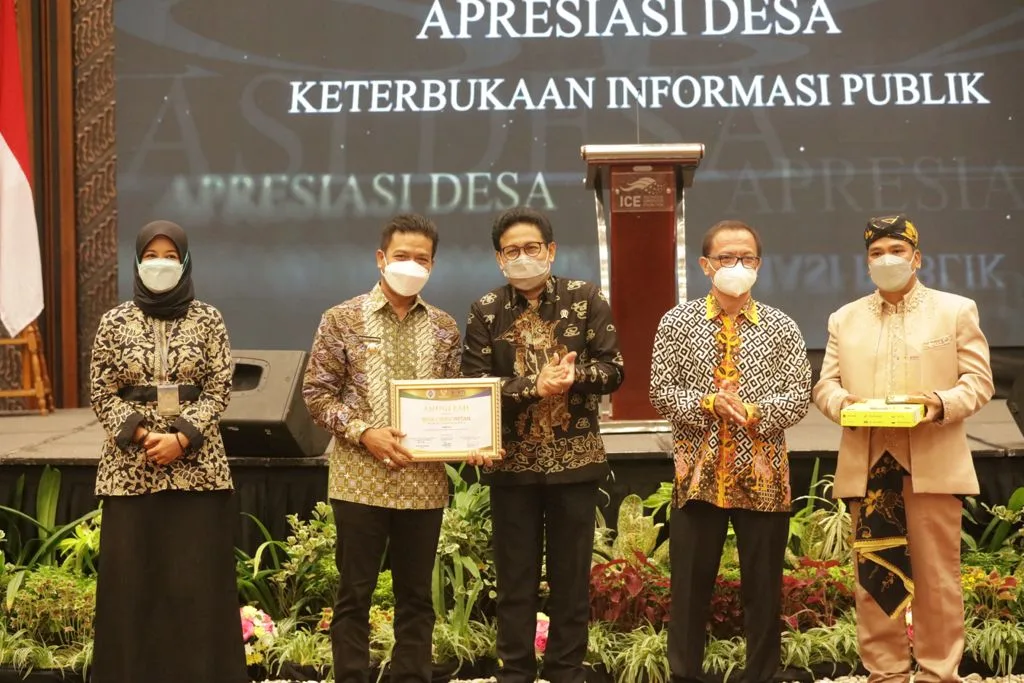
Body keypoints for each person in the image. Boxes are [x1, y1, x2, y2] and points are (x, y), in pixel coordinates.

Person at [303, 214, 488, 683]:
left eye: (421, 258)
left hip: (423, 485)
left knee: (416, 598)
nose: (411, 265)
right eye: (401, 256)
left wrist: (472, 439)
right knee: (354, 594)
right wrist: (365, 431)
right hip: (359, 481)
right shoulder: (341, 319)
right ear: (381, 258)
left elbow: (454, 401)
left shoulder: (444, 327)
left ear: (433, 265)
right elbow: (317, 396)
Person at [813, 214, 993, 683]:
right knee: (874, 576)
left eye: (896, 251)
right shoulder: (844, 318)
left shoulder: (955, 311)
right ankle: (886, 674)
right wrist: (844, 405)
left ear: (917, 258)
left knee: (937, 580)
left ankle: (938, 673)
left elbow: (979, 382)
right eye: (877, 253)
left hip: (931, 463)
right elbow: (825, 386)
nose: (886, 259)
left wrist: (938, 403)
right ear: (867, 263)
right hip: (869, 463)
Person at [461, 206, 624, 683]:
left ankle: (565, 670)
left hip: (575, 462)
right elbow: (476, 386)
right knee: (515, 580)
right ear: (499, 258)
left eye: (532, 247)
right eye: (511, 250)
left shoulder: (585, 297)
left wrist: (575, 377)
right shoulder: (486, 309)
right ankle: (515, 671)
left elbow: (614, 371)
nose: (523, 257)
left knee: (571, 579)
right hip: (512, 465)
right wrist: (534, 386)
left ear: (550, 250)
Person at [649, 219, 811, 683]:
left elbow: (799, 396)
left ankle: (761, 674)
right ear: (706, 265)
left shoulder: (781, 327)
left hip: (763, 479)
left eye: (747, 258)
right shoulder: (677, 323)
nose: (737, 265)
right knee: (689, 586)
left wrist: (752, 411)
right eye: (726, 258)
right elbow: (660, 392)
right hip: (697, 477)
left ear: (759, 265)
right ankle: (685, 675)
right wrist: (709, 403)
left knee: (763, 586)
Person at [89, 220, 245, 683]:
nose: (161, 264)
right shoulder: (114, 321)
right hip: (129, 472)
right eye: (152, 256)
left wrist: (181, 438)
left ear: (186, 261)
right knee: (131, 586)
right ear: (137, 261)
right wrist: (143, 437)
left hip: (198, 470)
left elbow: (219, 387)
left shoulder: (209, 318)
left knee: (196, 586)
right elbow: (100, 390)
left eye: (170, 256)